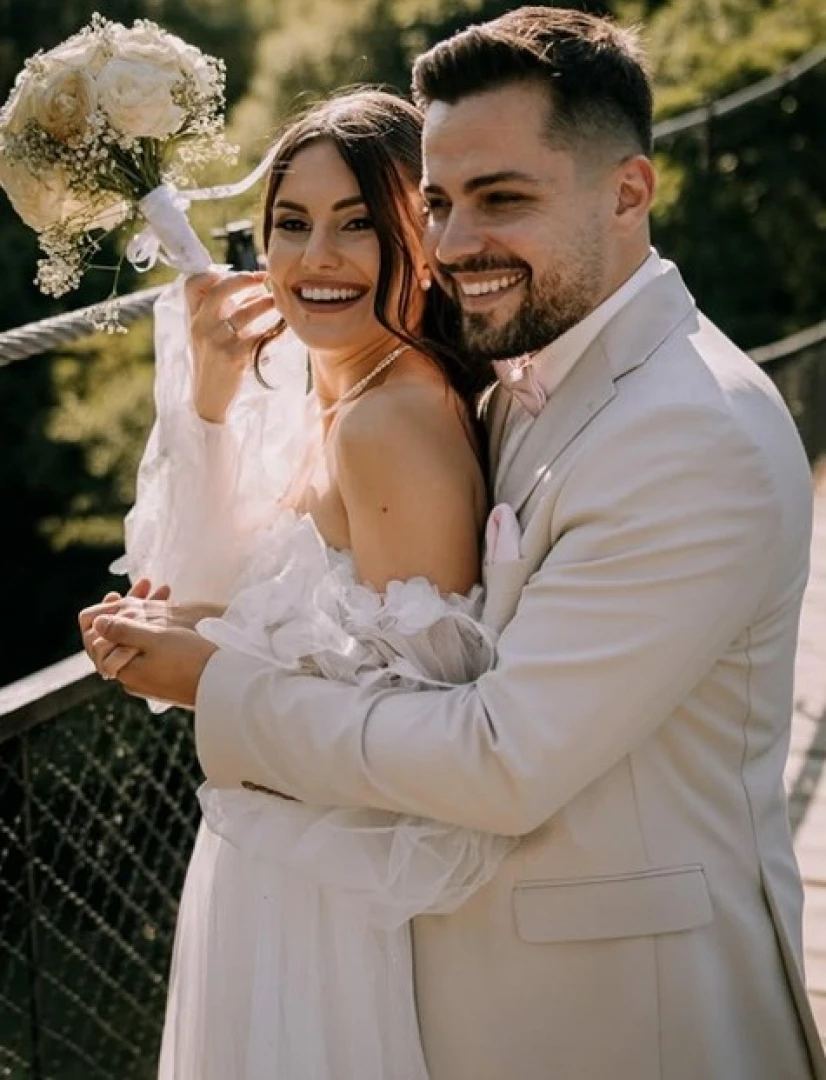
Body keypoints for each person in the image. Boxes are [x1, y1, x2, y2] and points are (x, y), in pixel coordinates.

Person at [82, 8, 826, 1080]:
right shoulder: (521, 369)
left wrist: (217, 682)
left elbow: (501, 758)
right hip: (462, 980)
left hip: (625, 1021)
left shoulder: (690, 433)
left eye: (503, 198)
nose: (453, 241)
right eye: (437, 202)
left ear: (628, 193)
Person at [82, 89, 517, 1080]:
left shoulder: (387, 422)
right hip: (282, 870)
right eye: (290, 223)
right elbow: (322, 630)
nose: (316, 257)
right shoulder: (343, 390)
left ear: (423, 239)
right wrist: (189, 620)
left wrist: (206, 671)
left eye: (357, 224)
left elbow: (420, 731)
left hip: (327, 910)